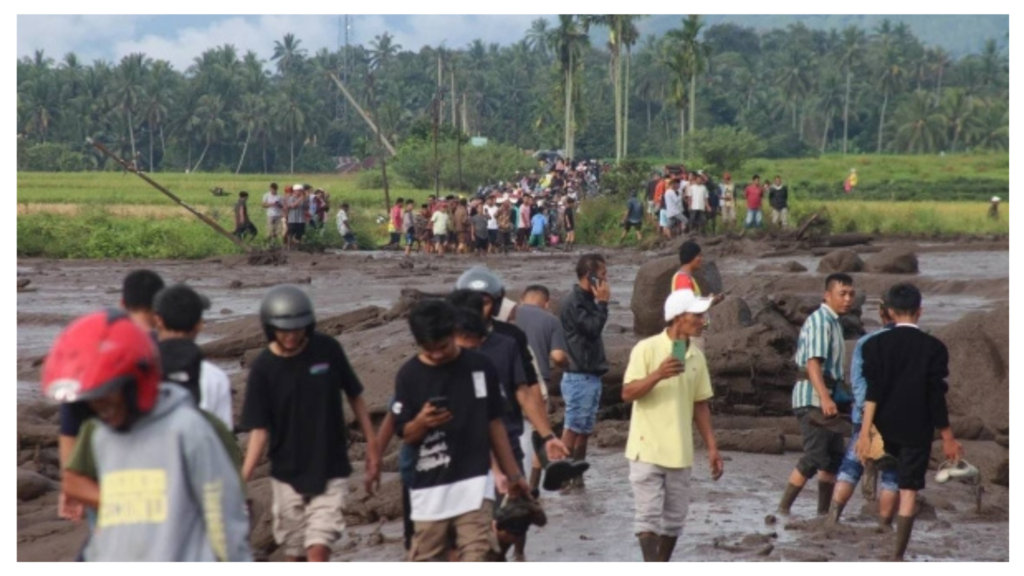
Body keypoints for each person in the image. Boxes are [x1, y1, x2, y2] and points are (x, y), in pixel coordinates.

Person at [48, 310, 252, 561]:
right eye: (92, 402)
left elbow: (224, 521)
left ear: (136, 381)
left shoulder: (188, 429)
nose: (100, 409)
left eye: (107, 396)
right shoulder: (102, 436)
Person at [240, 285, 379, 562]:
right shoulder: (264, 368)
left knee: (318, 546)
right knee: (293, 550)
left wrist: (373, 447)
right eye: (284, 330)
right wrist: (242, 479)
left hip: (330, 467)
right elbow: (259, 431)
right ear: (270, 328)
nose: (291, 336)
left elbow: (356, 396)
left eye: (298, 329)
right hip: (286, 472)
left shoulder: (327, 350)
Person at [392, 300, 530, 562]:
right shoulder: (409, 375)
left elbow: (494, 423)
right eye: (428, 350)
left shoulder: (480, 367)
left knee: (478, 555)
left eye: (442, 347)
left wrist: (513, 474)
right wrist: (421, 421)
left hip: (474, 482)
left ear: (453, 334)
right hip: (429, 487)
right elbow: (406, 434)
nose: (436, 355)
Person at [856, 283, 963, 561]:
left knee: (889, 477)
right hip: (917, 430)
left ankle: (880, 511)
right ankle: (897, 556)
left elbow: (873, 392)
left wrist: (864, 432)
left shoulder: (875, 345)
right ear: (920, 311)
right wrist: (948, 436)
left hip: (883, 427)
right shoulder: (934, 348)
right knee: (909, 491)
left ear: (889, 311)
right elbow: (935, 396)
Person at [57, 269, 165, 525]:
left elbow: (69, 429)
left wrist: (70, 485)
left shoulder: (94, 355)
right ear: (159, 307)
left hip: (103, 483)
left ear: (122, 304)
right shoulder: (164, 353)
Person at [623, 289, 723, 562]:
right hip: (646, 447)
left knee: (675, 519)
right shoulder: (646, 349)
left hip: (680, 450)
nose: (703, 320)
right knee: (647, 516)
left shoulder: (696, 357)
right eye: (698, 315)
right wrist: (657, 374)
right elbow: (628, 392)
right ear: (678, 318)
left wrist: (712, 448)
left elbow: (700, 404)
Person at [778, 273, 856, 516]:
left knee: (833, 458)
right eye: (842, 294)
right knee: (814, 456)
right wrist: (824, 397)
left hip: (825, 397)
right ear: (827, 295)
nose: (848, 299)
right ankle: (783, 509)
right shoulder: (821, 321)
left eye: (851, 294)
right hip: (812, 399)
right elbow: (813, 364)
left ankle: (823, 513)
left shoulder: (833, 322)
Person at [827, 305, 899, 528]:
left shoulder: (866, 342)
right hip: (899, 418)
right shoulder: (917, 342)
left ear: (881, 313)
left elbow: (858, 383)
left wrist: (864, 410)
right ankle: (884, 525)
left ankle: (833, 518)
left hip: (865, 415)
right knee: (892, 475)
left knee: (851, 467)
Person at [559, 254, 610, 489]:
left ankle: (576, 476)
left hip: (589, 374)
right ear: (589, 276)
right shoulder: (575, 302)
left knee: (584, 428)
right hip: (578, 374)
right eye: (602, 275)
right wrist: (602, 305)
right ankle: (561, 476)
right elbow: (591, 329)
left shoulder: (586, 299)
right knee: (573, 428)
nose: (606, 280)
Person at [152, 284, 233, 429]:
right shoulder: (216, 379)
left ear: (158, 321)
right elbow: (223, 439)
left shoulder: (138, 371)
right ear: (199, 325)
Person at [514, 285, 569, 493]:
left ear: (521, 299)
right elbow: (557, 356)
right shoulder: (551, 320)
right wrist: (566, 362)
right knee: (539, 433)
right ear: (546, 303)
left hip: (507, 385)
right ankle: (533, 486)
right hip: (536, 385)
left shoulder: (509, 317)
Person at [285, 184, 308, 250]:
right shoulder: (291, 198)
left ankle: (297, 247)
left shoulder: (304, 199)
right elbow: (292, 206)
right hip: (292, 218)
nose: (300, 192)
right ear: (295, 191)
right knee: (291, 233)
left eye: (301, 191)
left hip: (301, 219)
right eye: (299, 191)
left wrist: (305, 200)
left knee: (300, 233)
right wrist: (301, 199)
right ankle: (289, 246)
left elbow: (306, 207)